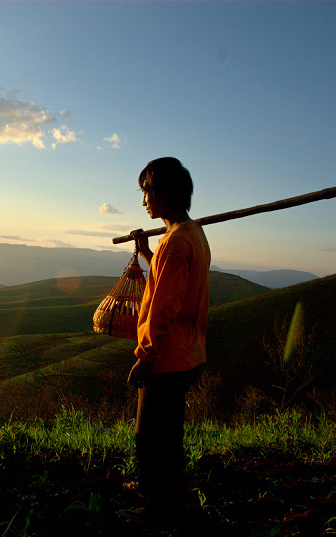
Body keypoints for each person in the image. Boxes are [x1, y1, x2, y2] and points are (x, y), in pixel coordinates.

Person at [121, 157, 211, 524]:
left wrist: (146, 355)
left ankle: (155, 507)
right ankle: (167, 493)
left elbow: (165, 307)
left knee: (149, 436)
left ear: (165, 193)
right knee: (168, 433)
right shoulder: (192, 234)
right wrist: (147, 252)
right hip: (187, 353)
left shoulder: (177, 243)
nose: (144, 201)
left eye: (148, 192)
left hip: (166, 356)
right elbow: (169, 278)